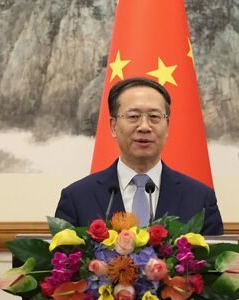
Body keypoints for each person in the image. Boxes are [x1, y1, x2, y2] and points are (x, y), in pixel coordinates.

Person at [55, 77, 222, 235]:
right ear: (113, 126)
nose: (144, 127)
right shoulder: (77, 198)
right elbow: (64, 262)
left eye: (154, 117)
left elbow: (214, 263)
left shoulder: (200, 199)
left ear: (167, 126)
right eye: (133, 116)